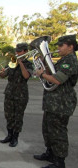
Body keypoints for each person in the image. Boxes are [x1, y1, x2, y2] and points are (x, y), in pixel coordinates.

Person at [34, 35, 78, 168]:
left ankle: (59, 162)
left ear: (70, 47)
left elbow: (57, 80)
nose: (58, 48)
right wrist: (44, 64)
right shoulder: (64, 59)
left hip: (61, 103)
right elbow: (51, 75)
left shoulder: (70, 60)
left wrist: (41, 74)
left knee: (58, 132)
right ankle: (50, 153)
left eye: (61, 45)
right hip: (53, 102)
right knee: (48, 129)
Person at [0, 43, 33, 147]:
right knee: (8, 115)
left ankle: (15, 137)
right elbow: (2, 75)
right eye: (16, 51)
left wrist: (20, 63)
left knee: (18, 117)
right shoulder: (11, 62)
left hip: (21, 94)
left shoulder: (28, 64)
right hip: (9, 92)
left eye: (20, 51)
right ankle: (9, 135)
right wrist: (3, 72)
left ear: (25, 52)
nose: (17, 53)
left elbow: (26, 76)